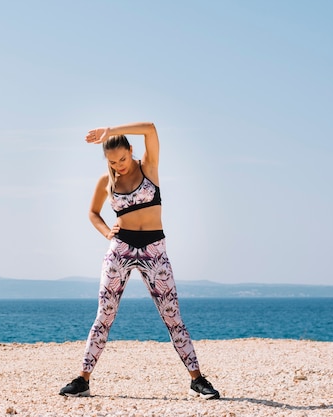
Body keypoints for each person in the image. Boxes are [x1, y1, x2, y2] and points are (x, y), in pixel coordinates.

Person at [59, 122, 220, 400]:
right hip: (120, 249)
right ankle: (83, 379)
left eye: (122, 158)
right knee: (104, 315)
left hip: (154, 249)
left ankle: (197, 379)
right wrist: (107, 231)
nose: (119, 165)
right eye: (112, 161)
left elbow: (151, 129)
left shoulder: (149, 167)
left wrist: (110, 130)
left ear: (131, 150)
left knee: (172, 316)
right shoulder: (106, 181)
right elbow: (93, 213)